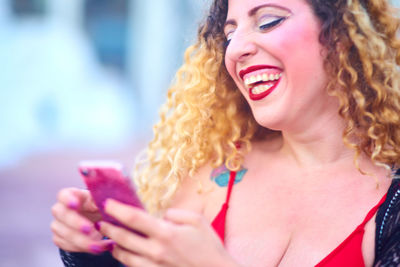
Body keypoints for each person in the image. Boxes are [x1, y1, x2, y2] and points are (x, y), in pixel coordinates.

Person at [51, 0, 400, 266]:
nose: (235, 50)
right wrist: (95, 253)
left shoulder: (392, 205)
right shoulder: (213, 174)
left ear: (342, 36)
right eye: (229, 35)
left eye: (268, 21)